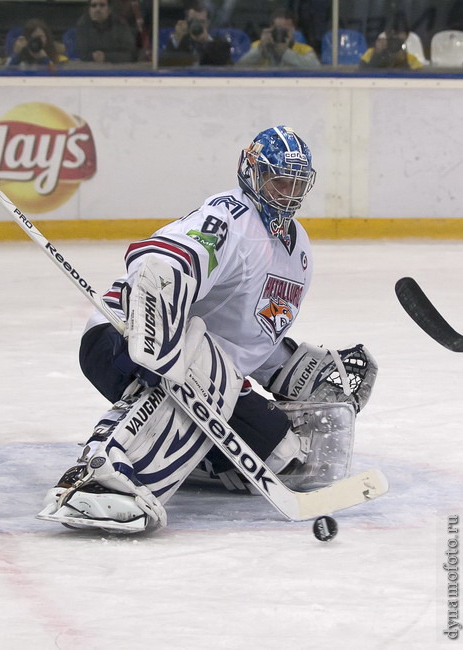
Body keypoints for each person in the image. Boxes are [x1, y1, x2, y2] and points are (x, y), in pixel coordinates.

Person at [37, 125, 378, 533]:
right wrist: (154, 332)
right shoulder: (229, 217)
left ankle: (195, 457)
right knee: (197, 367)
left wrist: (300, 370)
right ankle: (99, 477)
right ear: (252, 174)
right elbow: (162, 262)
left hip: (205, 363)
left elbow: (249, 335)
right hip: (122, 332)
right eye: (277, 181)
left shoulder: (298, 249)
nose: (286, 194)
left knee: (281, 456)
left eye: (296, 184)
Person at [237, 9, 320, 68]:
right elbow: (240, 66)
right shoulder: (257, 46)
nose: (281, 34)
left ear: (294, 29)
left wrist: (286, 52)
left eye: (285, 30)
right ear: (270, 28)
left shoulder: (304, 50)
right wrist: (261, 49)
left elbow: (316, 67)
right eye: (278, 29)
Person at [162, 0, 231, 66]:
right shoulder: (182, 42)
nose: (197, 25)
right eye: (193, 21)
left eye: (201, 22)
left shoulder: (218, 43)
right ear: (186, 21)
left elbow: (224, 64)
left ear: (208, 23)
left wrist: (207, 40)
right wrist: (177, 38)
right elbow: (166, 64)